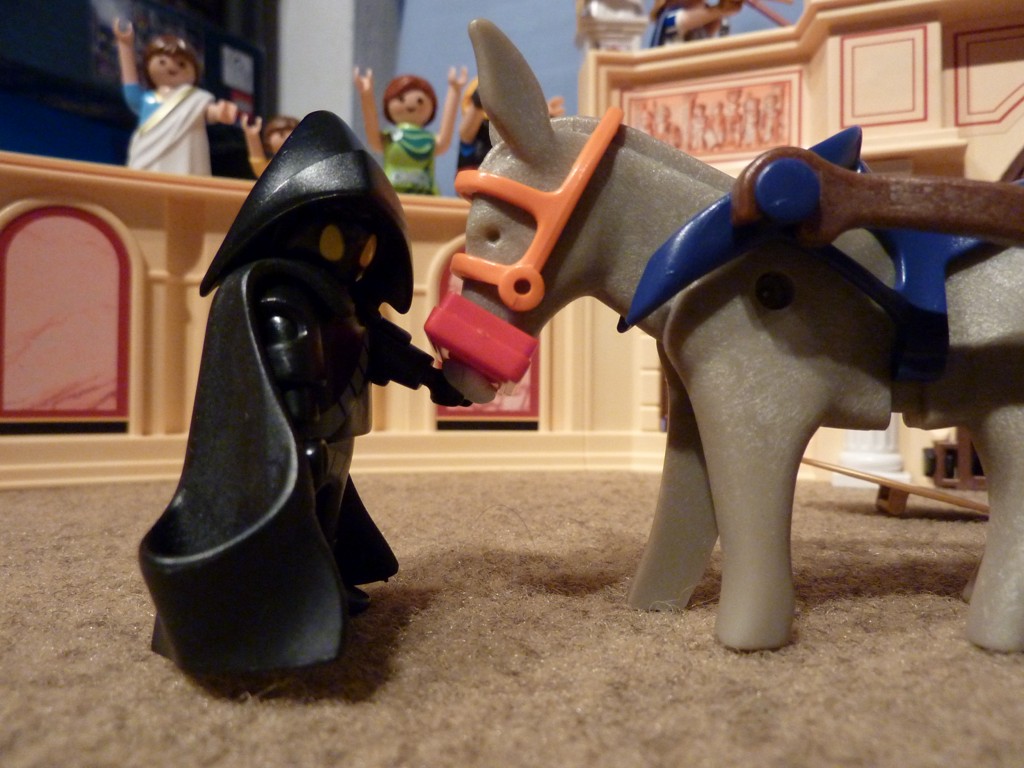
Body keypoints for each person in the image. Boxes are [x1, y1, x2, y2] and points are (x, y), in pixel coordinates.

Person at [138, 112, 466, 674]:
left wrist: (434, 378)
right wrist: (293, 416)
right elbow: (285, 358)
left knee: (328, 511)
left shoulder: (348, 303)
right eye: (340, 233)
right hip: (299, 436)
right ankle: (284, 605)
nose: (354, 249)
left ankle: (328, 579)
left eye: (365, 240)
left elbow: (384, 350)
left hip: (336, 434)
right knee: (298, 513)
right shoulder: (276, 293)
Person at [114, 18, 238, 175]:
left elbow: (208, 112)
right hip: (148, 163)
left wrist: (221, 112)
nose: (172, 67)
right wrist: (125, 45)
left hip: (184, 166)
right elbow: (131, 90)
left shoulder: (194, 99)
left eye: (181, 64)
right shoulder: (147, 99)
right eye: (162, 62)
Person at [353, 67, 467, 194]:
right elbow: (373, 137)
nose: (411, 105)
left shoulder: (429, 141)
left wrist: (454, 90)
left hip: (425, 195)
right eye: (401, 99)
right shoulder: (389, 137)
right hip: (392, 193)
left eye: (420, 101)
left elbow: (445, 140)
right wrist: (366, 95)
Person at [242, 113, 299, 177]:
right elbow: (260, 167)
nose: (287, 137)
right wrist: (252, 137)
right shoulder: (273, 166)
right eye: (281, 133)